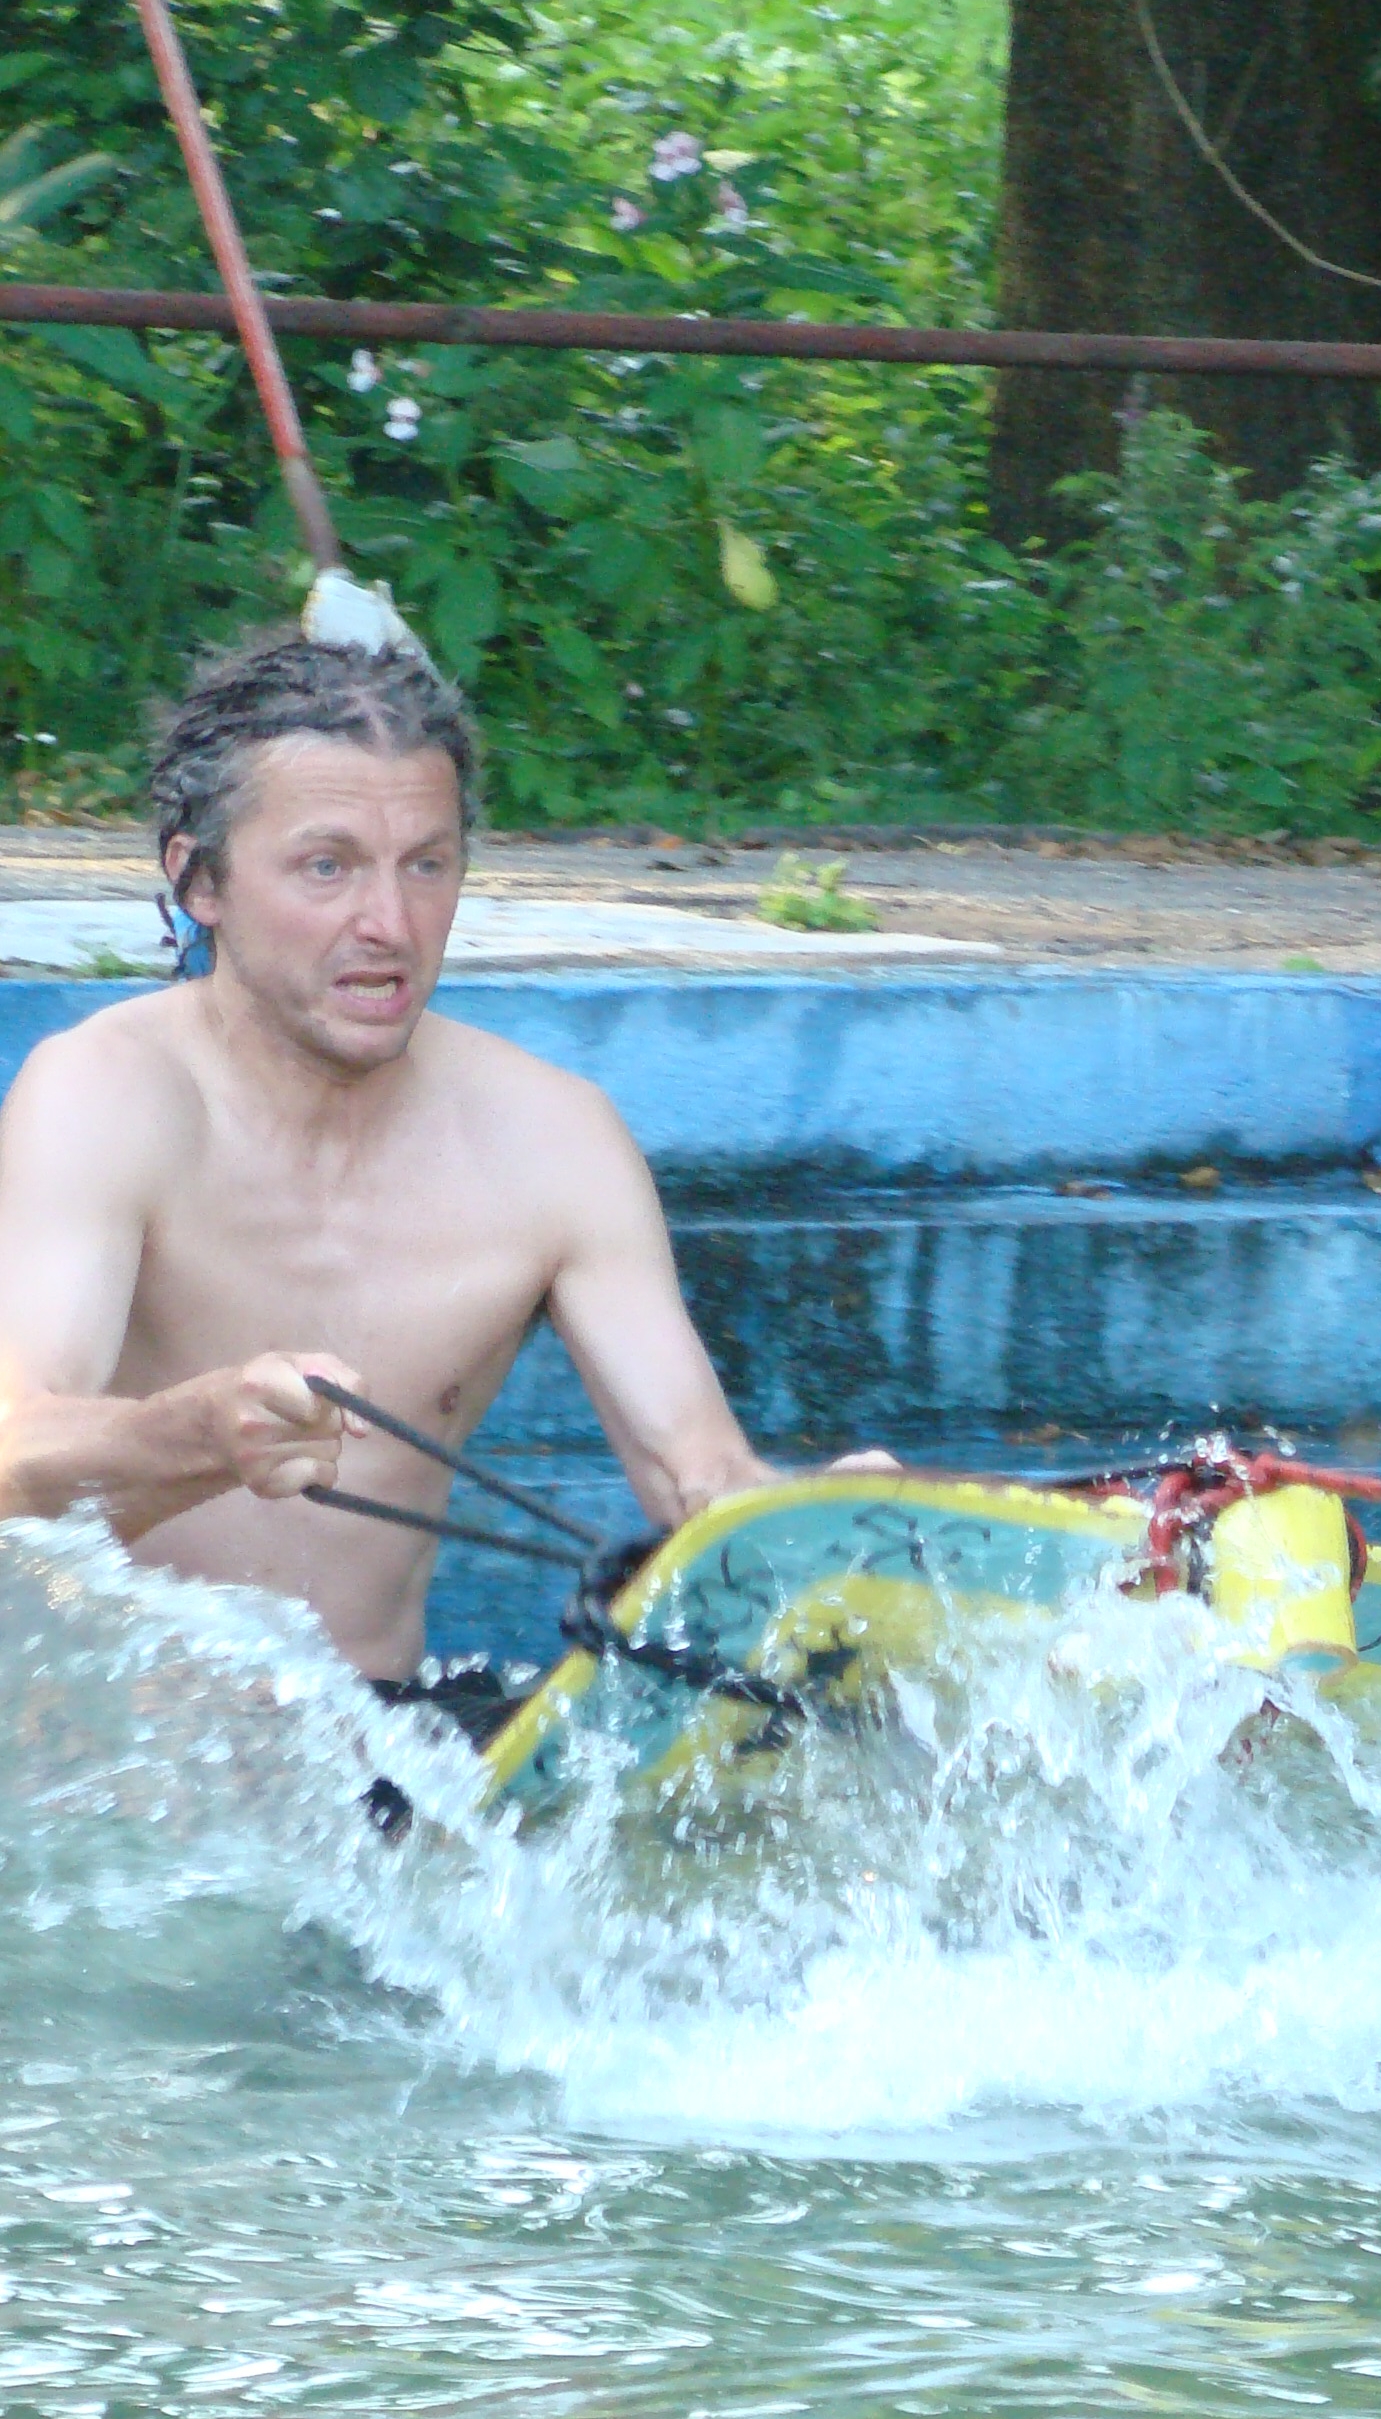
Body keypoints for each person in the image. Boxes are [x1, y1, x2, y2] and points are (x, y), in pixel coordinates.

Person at [0, 632, 808, 1719]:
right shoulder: (105, 1095)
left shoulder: (552, 1136)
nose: (388, 924)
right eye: (326, 867)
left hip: (389, 1740)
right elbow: (14, 1457)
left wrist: (825, 1525)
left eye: (425, 864)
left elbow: (697, 1477)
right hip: (124, 1745)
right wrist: (201, 1431)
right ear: (199, 879)